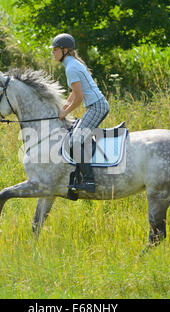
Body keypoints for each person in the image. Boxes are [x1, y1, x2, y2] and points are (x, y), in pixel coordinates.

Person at [51, 33, 109, 193]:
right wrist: (65, 105)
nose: (53, 53)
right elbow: (74, 93)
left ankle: (89, 181)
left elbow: (79, 97)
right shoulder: (72, 64)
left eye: (55, 50)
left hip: (97, 107)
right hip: (95, 106)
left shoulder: (71, 67)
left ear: (65, 50)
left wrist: (65, 112)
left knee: (74, 141)